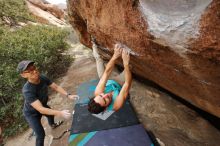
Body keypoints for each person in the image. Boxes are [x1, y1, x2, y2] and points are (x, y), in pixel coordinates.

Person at [17, 60, 79, 146]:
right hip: (31, 113)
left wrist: (68, 95)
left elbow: (56, 87)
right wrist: (60, 113)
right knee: (40, 134)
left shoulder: (42, 78)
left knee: (50, 114)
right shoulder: (27, 90)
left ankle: (52, 125)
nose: (34, 71)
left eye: (34, 67)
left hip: (42, 105)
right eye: (29, 70)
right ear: (23, 75)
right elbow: (41, 109)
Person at [88, 42, 132, 114]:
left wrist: (115, 55)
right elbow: (127, 83)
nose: (106, 95)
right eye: (105, 100)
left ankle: (93, 44)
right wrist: (126, 64)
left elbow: (107, 72)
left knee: (99, 60)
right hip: (119, 84)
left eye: (101, 96)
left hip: (108, 80)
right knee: (129, 66)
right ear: (105, 108)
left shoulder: (97, 92)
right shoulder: (116, 105)